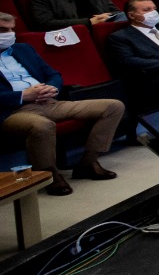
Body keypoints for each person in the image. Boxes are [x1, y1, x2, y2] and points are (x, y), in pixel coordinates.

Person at [1, 11, 125, 196]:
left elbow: (54, 74)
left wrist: (52, 88)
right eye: (3, 30)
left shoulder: (23, 49)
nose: (9, 34)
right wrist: (21, 96)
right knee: (42, 126)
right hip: (13, 111)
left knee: (113, 106)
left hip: (47, 102)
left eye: (12, 29)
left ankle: (88, 162)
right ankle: (49, 174)